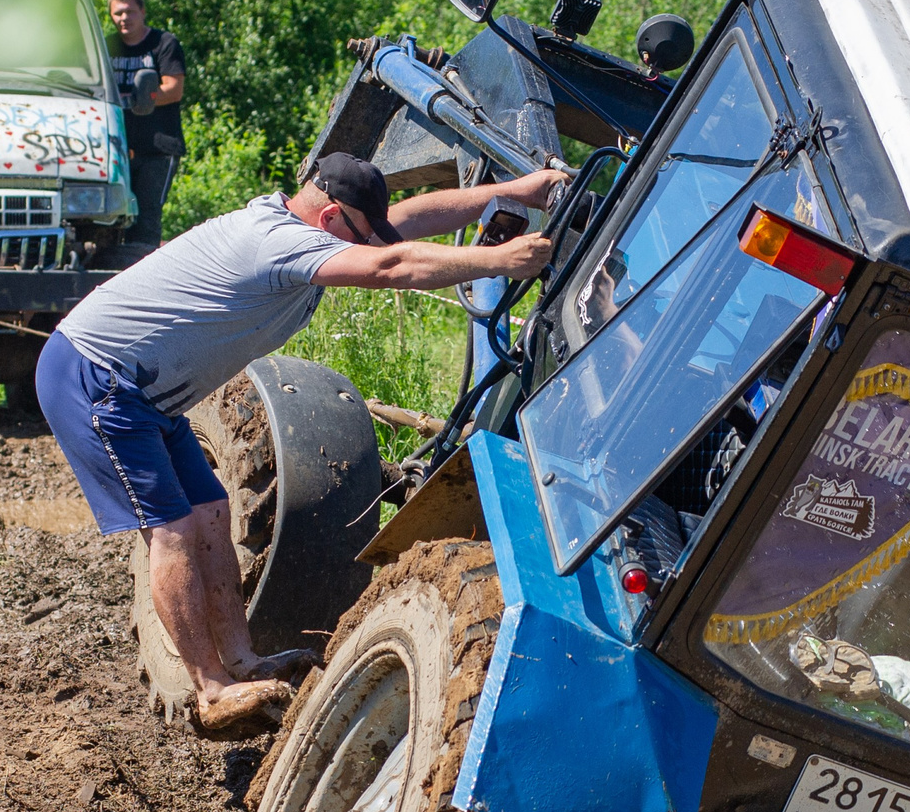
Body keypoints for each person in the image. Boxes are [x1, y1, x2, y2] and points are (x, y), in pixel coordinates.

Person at [38, 150, 565, 730]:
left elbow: (406, 223)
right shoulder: (275, 242)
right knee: (173, 529)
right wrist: (496, 259)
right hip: (96, 379)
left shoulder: (303, 224)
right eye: (359, 233)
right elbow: (389, 264)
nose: (365, 243)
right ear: (332, 216)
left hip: (148, 393)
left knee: (212, 510)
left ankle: (240, 662)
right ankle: (209, 689)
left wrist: (519, 191)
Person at [106, 0, 186, 251]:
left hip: (158, 148)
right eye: (118, 13)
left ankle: (140, 275)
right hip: (116, 148)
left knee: (146, 216)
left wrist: (133, 100)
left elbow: (173, 89)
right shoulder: (106, 45)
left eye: (129, 11)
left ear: (142, 12)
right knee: (110, 215)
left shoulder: (163, 43)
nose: (124, 18)